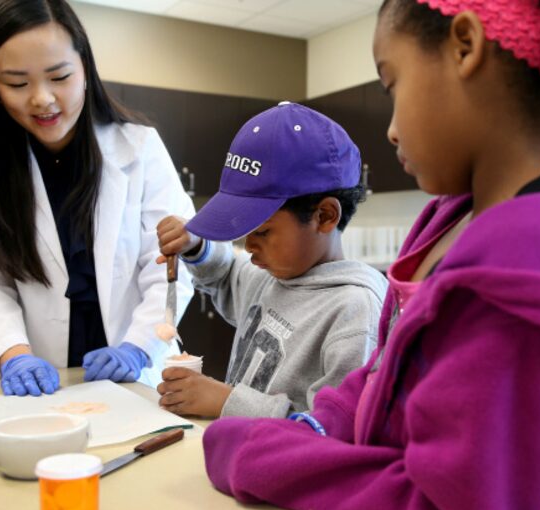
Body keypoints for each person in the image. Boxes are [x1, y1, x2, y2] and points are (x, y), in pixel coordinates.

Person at [201, 0, 540, 510]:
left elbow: (443, 505)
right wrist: (321, 425)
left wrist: (260, 456)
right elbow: (383, 372)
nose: (390, 130)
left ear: (464, 47)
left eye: (393, 84)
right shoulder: (452, 219)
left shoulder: (521, 286)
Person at [0, 0, 194, 397]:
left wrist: (137, 347)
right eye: (17, 83)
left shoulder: (139, 148)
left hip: (135, 371)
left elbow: (171, 265)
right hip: (30, 376)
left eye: (59, 76)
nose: (42, 99)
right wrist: (14, 356)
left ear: (84, 69)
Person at [155, 102, 388, 418]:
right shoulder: (274, 274)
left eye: (263, 232)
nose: (249, 245)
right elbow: (227, 276)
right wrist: (196, 247)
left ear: (325, 215)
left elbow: (334, 432)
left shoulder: (355, 311)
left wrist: (227, 402)